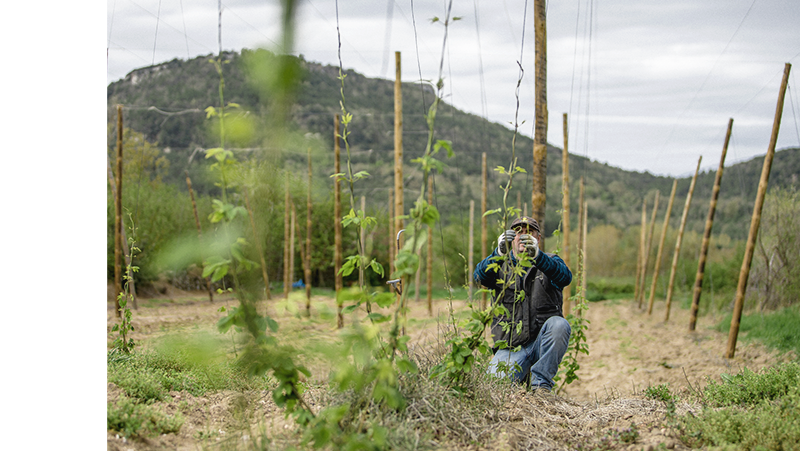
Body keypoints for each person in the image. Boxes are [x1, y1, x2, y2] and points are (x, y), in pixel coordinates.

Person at [473, 216, 573, 392]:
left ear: (538, 238)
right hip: (511, 347)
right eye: (519, 232)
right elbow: (479, 277)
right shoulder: (501, 264)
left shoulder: (550, 261)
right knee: (493, 387)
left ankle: (540, 385)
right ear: (511, 238)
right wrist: (497, 253)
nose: (524, 236)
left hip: (541, 342)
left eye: (530, 232)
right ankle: (521, 377)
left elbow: (565, 277)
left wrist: (538, 256)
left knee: (559, 325)